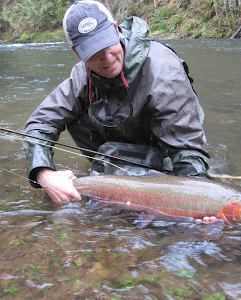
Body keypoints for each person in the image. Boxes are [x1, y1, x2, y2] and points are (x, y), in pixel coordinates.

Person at [23, 0, 210, 203]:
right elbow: (41, 122)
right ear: (76, 52)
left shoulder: (164, 72)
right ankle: (106, 176)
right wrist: (44, 173)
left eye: (106, 43)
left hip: (165, 151)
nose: (105, 58)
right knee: (71, 113)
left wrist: (197, 198)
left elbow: (187, 149)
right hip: (114, 152)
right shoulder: (80, 76)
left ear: (115, 29)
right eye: (93, 51)